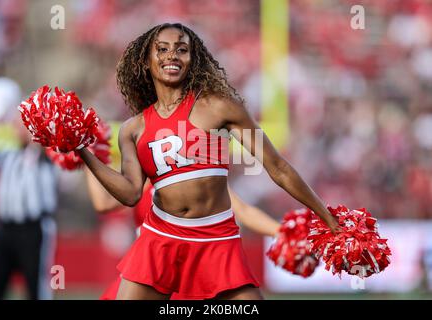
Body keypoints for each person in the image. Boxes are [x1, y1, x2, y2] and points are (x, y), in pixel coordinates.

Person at [78, 23, 339, 300]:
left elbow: (279, 168)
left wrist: (328, 220)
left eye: (182, 49)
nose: (172, 56)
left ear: (194, 59)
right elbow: (129, 194)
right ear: (146, 61)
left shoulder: (220, 108)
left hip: (217, 239)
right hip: (161, 241)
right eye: (162, 50)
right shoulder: (133, 129)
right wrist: (82, 150)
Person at [84, 168, 280, 300]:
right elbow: (104, 203)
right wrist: (87, 154)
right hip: (149, 272)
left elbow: (243, 211)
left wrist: (283, 232)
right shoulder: (145, 170)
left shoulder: (200, 170)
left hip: (192, 273)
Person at [0, 115, 58, 300]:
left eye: (23, 126)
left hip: (32, 229)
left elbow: (51, 151)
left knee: (36, 287)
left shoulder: (42, 152)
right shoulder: (9, 154)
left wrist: (37, 131)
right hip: (6, 229)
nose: (18, 130)